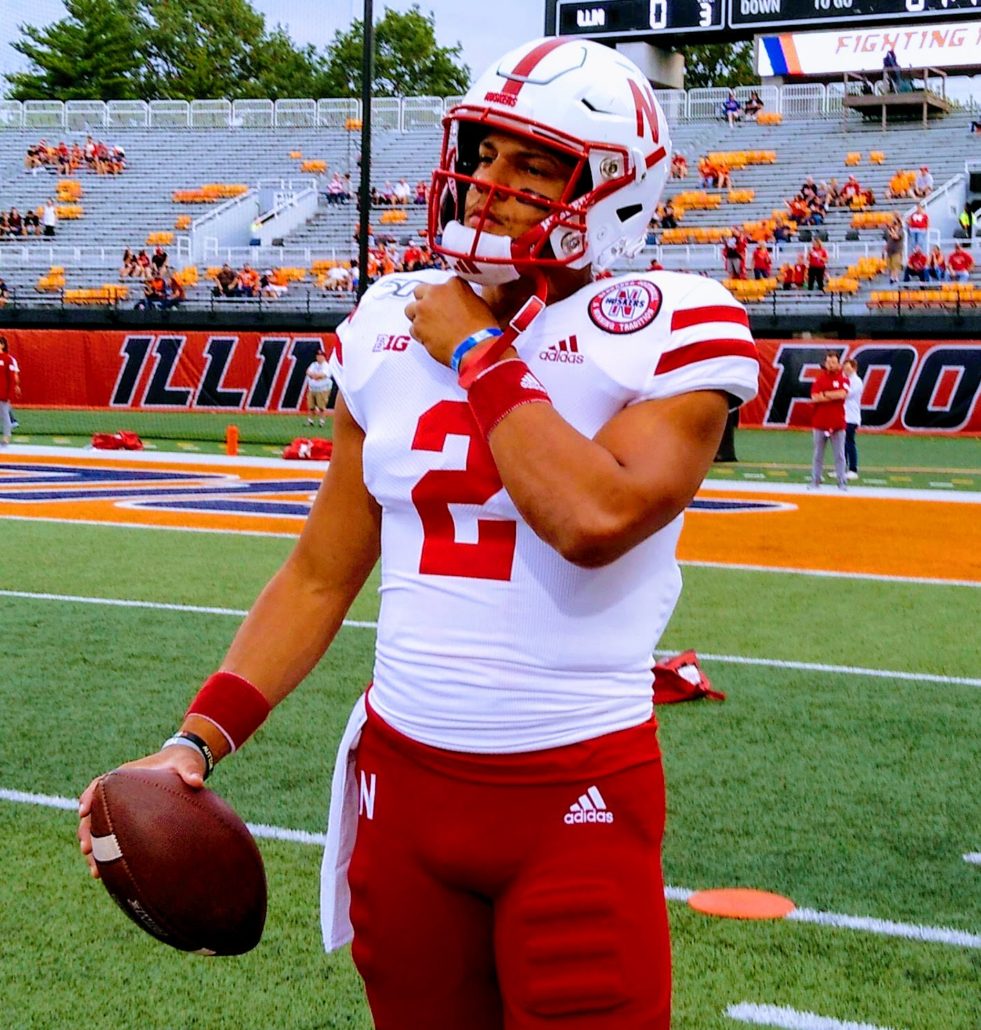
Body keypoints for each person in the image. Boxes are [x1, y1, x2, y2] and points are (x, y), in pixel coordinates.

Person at [77, 38, 758, 1029]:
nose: (490, 185)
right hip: (403, 793)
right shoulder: (390, 320)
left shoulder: (674, 321)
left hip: (573, 788)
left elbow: (594, 517)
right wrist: (197, 739)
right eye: (483, 153)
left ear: (615, 187)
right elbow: (319, 572)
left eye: (535, 164)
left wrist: (480, 352)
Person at [809, 351, 848, 490]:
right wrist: (831, 396)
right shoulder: (819, 380)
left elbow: (842, 394)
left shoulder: (843, 379)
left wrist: (825, 395)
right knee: (818, 454)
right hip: (820, 423)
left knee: (839, 455)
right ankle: (815, 481)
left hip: (838, 423)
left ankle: (841, 482)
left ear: (838, 364)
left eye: (834, 362)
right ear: (825, 363)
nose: (831, 365)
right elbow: (814, 397)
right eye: (829, 362)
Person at [842, 358, 863, 481]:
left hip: (852, 417)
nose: (845, 370)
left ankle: (853, 469)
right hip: (842, 416)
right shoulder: (845, 380)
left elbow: (846, 394)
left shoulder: (857, 381)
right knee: (841, 443)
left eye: (848, 368)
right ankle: (841, 468)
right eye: (844, 368)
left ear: (854, 368)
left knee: (849, 442)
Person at [0, 335, 20, 446]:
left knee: (5, 415)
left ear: (2, 345)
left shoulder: (8, 359)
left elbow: (11, 377)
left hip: (3, 393)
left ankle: (6, 437)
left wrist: (10, 392)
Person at [304, 348, 333, 426]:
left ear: (324, 357)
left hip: (322, 389)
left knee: (321, 407)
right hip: (312, 389)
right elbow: (308, 372)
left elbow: (323, 375)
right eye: (318, 355)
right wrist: (315, 375)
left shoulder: (326, 366)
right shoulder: (313, 364)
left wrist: (314, 375)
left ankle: (322, 422)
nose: (319, 357)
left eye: (321, 356)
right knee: (311, 406)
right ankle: (310, 421)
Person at [883, 215, 904, 283]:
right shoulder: (889, 230)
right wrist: (885, 248)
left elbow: (896, 237)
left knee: (896, 264)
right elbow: (888, 240)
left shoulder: (901, 231)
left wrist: (892, 233)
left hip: (897, 250)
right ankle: (892, 277)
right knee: (890, 265)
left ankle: (895, 277)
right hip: (890, 251)